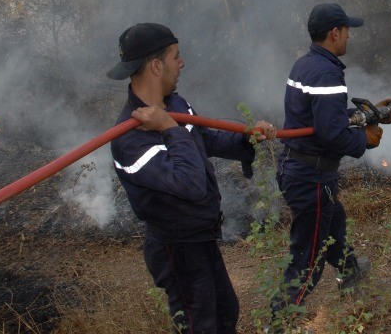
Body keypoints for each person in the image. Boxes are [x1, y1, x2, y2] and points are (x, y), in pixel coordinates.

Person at [107, 22, 276, 334]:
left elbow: (204, 140)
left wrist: (247, 140)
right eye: (176, 56)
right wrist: (169, 128)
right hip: (176, 247)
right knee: (202, 326)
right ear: (156, 66)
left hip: (200, 236)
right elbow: (189, 185)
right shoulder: (129, 140)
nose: (181, 63)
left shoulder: (176, 104)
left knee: (226, 310)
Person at [269, 3, 384, 328]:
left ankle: (349, 271)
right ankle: (279, 323)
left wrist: (359, 115)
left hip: (298, 167)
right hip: (311, 177)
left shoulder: (306, 64)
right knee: (308, 259)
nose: (349, 35)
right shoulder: (326, 72)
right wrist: (365, 141)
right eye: (346, 30)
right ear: (335, 33)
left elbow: (320, 115)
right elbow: (331, 133)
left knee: (334, 221)